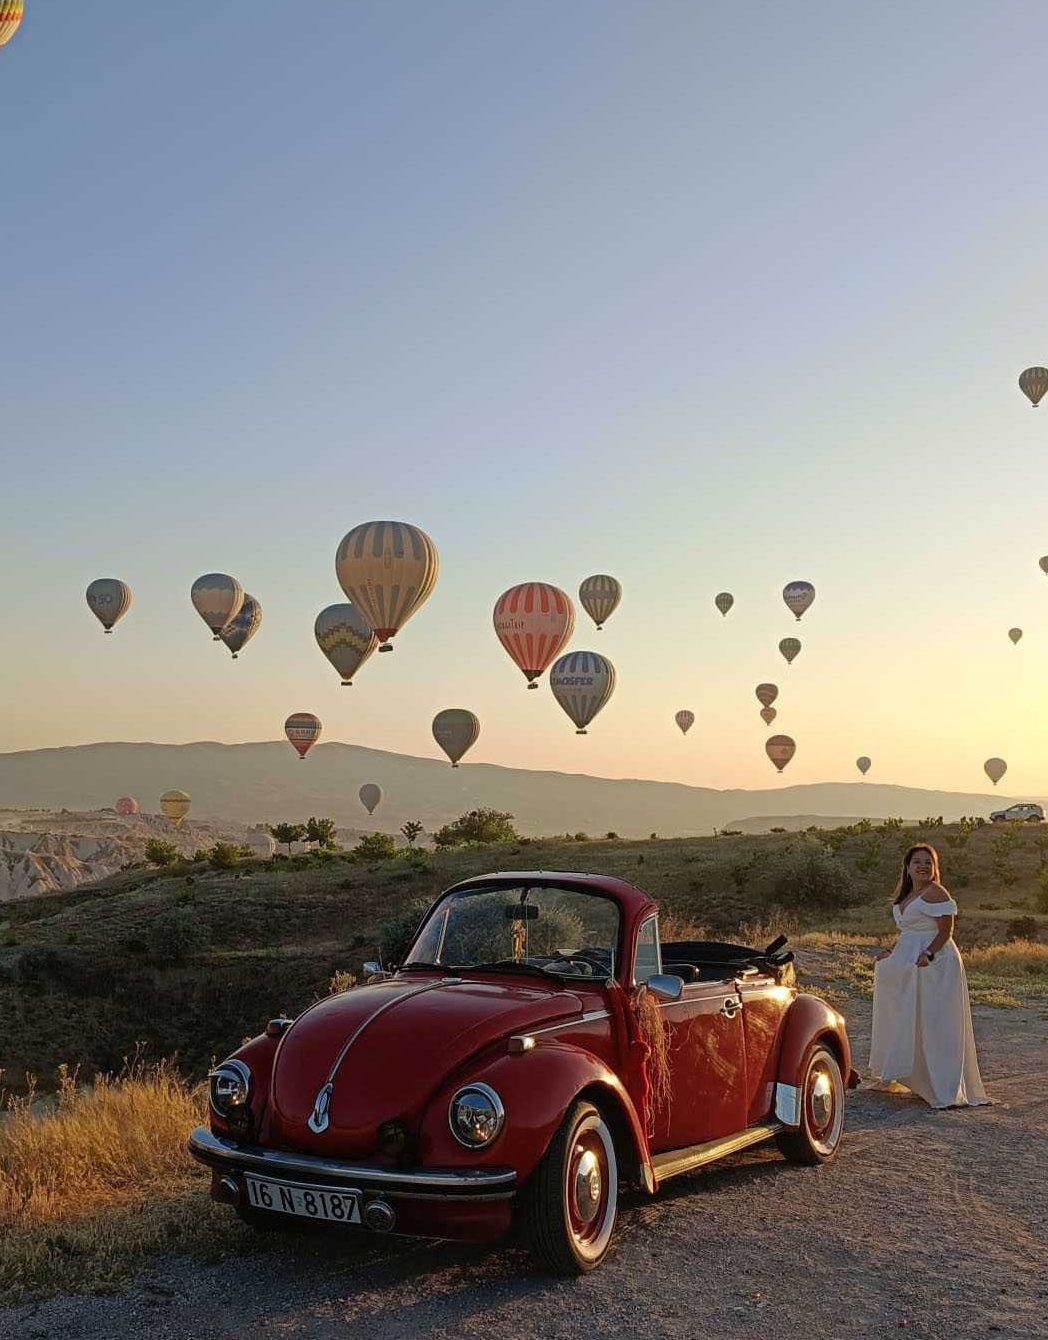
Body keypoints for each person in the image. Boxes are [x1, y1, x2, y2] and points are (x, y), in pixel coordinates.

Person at [868, 842, 990, 1109]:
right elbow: (909, 932)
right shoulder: (908, 895)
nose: (923, 866)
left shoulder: (937, 893)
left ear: (935, 868)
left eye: (928, 862)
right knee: (908, 1015)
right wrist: (892, 952)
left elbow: (945, 932)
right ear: (908, 868)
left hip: (936, 963)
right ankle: (908, 1073)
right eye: (917, 862)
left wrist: (929, 955)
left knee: (936, 1021)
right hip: (910, 957)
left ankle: (941, 1084)